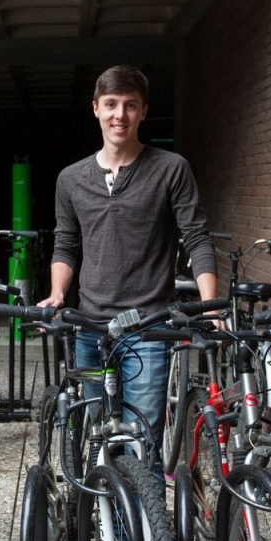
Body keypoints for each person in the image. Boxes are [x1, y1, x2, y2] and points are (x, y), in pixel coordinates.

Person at [38, 64, 218, 474]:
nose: (120, 115)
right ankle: (101, 528)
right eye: (112, 104)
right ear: (96, 110)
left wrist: (210, 304)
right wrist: (57, 292)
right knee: (96, 433)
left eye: (130, 106)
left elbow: (196, 238)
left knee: (141, 440)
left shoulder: (171, 168)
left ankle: (140, 535)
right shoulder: (71, 179)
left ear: (143, 112)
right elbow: (66, 244)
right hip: (90, 327)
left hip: (148, 328)